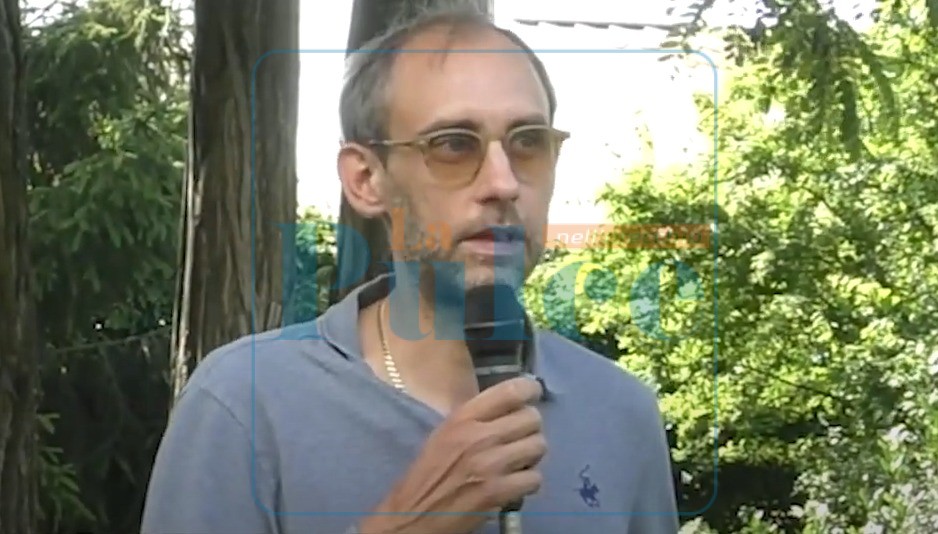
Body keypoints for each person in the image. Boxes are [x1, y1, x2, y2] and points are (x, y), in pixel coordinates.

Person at [141, 7, 679, 534]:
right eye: (453, 145)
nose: (503, 183)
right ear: (366, 181)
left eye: (528, 142)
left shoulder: (620, 413)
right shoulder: (245, 405)